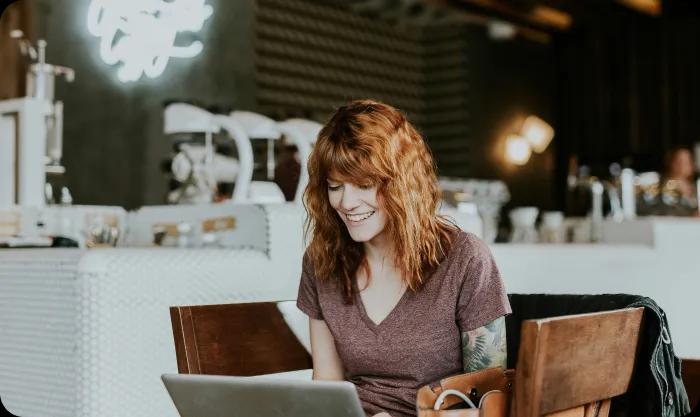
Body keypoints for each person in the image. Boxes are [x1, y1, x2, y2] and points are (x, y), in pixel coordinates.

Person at [296, 100, 511, 417]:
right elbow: (327, 389)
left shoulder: (464, 258)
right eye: (335, 186)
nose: (346, 202)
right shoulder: (322, 261)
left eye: (365, 185)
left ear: (402, 182)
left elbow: (492, 403)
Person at [662, 147, 698, 215]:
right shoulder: (665, 186)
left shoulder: (695, 187)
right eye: (679, 161)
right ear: (671, 162)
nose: (682, 165)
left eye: (686, 161)